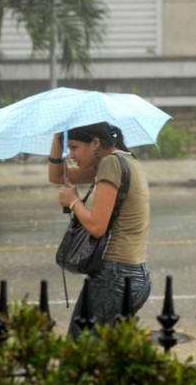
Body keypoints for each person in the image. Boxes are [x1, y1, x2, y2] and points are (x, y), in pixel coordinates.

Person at [48, 122, 151, 338]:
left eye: (74, 147)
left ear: (95, 143)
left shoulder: (110, 164)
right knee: (108, 357)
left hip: (115, 277)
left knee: (79, 353)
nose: (72, 155)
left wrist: (74, 201)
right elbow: (58, 176)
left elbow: (96, 226)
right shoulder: (126, 160)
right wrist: (58, 139)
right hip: (135, 275)